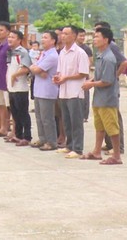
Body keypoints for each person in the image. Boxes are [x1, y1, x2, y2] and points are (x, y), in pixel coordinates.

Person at [80, 27, 122, 165]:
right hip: (99, 98)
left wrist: (91, 85)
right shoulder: (100, 56)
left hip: (107, 99)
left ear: (106, 39)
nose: (95, 39)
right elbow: (100, 77)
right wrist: (92, 81)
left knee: (112, 127)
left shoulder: (109, 58)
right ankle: (96, 151)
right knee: (99, 126)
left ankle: (116, 155)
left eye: (97, 37)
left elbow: (107, 81)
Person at [53, 26, 89, 159]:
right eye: (62, 34)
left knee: (76, 121)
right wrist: (57, 77)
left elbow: (83, 73)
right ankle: (69, 145)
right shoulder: (62, 52)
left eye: (67, 34)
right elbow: (60, 71)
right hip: (64, 91)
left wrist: (66, 77)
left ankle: (78, 148)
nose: (63, 36)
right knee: (66, 120)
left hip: (75, 91)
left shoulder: (80, 53)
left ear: (74, 36)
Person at [29, 31, 59, 151]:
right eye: (42, 37)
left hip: (47, 90)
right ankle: (42, 138)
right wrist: (37, 70)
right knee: (39, 116)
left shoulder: (52, 55)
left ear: (53, 41)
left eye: (46, 38)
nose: (43, 40)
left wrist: (37, 70)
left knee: (47, 118)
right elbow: (33, 66)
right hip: (39, 89)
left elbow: (37, 69)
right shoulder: (43, 53)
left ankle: (51, 141)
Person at [6, 30, 32, 146]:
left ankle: (27, 136)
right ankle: (18, 135)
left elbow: (26, 68)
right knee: (15, 113)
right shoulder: (10, 52)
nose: (10, 39)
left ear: (19, 40)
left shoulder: (23, 52)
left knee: (23, 113)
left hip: (20, 88)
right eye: (9, 37)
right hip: (11, 88)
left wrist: (15, 75)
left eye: (13, 37)